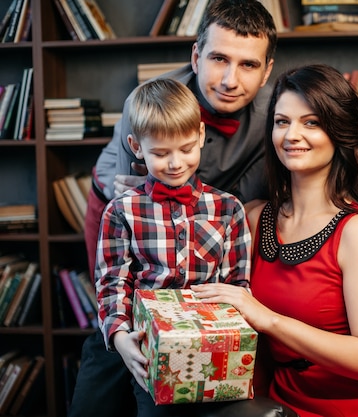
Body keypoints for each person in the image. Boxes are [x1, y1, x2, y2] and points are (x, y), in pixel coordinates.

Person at [191, 64, 358, 417]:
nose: (291, 135)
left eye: (311, 122)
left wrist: (267, 319)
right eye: (282, 121)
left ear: (339, 132)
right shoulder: (255, 217)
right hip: (288, 396)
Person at [69, 1, 276, 416]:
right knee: (111, 347)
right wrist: (122, 326)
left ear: (266, 71)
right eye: (219, 59)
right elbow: (135, 208)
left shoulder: (274, 115)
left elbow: (253, 199)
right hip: (126, 206)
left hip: (208, 220)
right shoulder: (147, 103)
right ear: (196, 56)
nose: (231, 80)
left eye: (248, 65)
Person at [95, 77, 252, 417]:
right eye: (160, 153)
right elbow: (112, 282)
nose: (175, 163)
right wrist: (121, 337)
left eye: (185, 149)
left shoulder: (229, 209)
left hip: (215, 349)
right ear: (136, 147)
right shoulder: (121, 210)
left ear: (200, 135)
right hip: (147, 345)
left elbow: (237, 286)